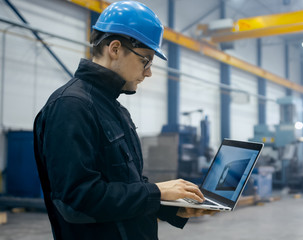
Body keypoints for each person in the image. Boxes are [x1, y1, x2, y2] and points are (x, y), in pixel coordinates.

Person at [33, 1, 215, 239]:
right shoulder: (71, 106)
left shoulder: (114, 109)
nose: (149, 71)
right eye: (146, 60)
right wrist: (157, 192)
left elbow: (127, 186)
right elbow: (77, 200)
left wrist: (174, 208)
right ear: (115, 49)